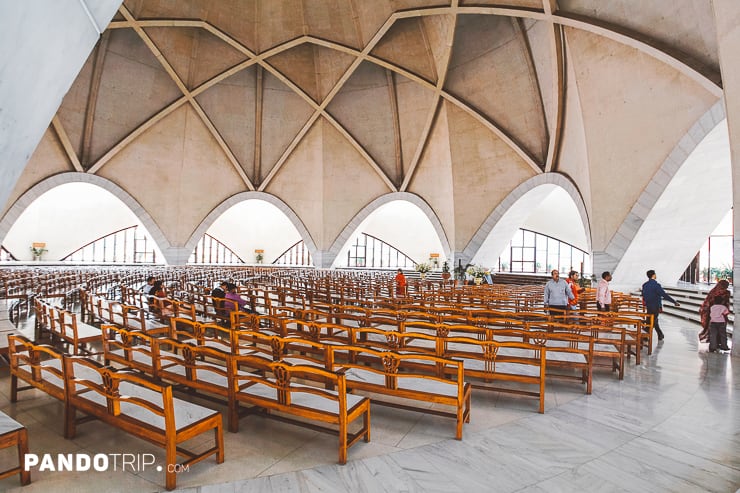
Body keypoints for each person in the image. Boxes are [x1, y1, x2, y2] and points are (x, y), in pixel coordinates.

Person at [641, 269, 680, 341]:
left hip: (649, 306)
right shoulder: (656, 285)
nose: (656, 275)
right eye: (655, 274)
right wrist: (674, 302)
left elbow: (643, 295)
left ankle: (659, 335)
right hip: (655, 306)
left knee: (652, 320)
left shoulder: (645, 285)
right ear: (653, 275)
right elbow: (664, 295)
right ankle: (645, 335)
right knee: (653, 321)